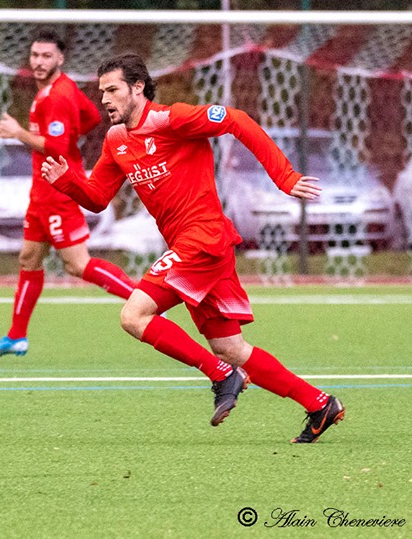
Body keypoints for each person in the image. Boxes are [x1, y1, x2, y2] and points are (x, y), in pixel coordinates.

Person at [40, 53, 345, 443]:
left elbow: (237, 119)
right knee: (230, 347)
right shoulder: (116, 141)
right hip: (196, 248)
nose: (105, 100)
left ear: (137, 87)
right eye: (102, 92)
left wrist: (284, 177)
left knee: (133, 316)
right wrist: (67, 181)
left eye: (112, 90)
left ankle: (220, 375)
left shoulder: (174, 119)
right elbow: (98, 197)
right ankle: (319, 403)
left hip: (203, 238)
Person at [0, 29, 137, 358]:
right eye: (35, 55)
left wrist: (17, 132)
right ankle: (15, 336)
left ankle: (146, 299)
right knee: (29, 258)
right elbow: (92, 117)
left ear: (60, 58)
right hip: (41, 192)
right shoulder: (57, 91)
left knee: (78, 265)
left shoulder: (58, 95)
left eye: (46, 56)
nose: (38, 61)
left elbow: (58, 146)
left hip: (58, 192)